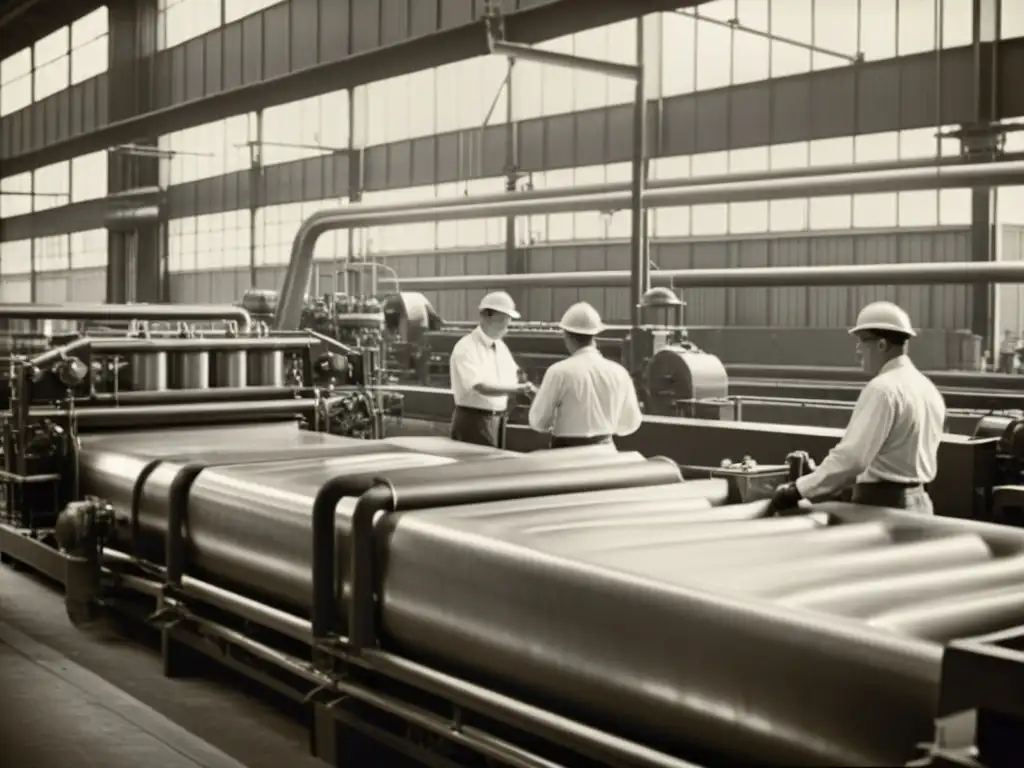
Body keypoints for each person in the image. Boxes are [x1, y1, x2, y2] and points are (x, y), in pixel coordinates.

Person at [770, 301, 946, 515]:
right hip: (921, 506)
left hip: (883, 507)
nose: (858, 350)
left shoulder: (883, 389)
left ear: (882, 345)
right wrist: (819, 476)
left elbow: (852, 460)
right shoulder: (927, 389)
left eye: (862, 341)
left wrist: (797, 490)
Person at [528, 302, 643, 448]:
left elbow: (538, 423)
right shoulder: (620, 373)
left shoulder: (558, 372)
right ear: (595, 336)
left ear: (566, 336)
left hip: (566, 455)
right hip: (606, 453)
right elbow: (630, 423)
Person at [448, 291, 535, 447]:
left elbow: (517, 377)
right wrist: (519, 389)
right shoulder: (466, 347)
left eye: (508, 320)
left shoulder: (501, 347)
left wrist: (535, 392)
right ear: (486, 316)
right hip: (473, 422)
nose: (507, 324)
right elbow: (481, 387)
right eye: (503, 319)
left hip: (498, 420)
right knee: (475, 469)